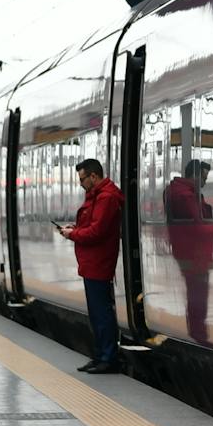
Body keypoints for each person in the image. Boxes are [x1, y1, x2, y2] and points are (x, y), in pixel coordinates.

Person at [58, 157, 124, 373]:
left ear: (94, 176)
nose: (81, 183)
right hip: (92, 262)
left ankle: (108, 358)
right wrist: (75, 228)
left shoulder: (106, 198)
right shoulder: (98, 196)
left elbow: (97, 232)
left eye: (82, 178)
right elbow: (92, 225)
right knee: (96, 313)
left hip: (99, 261)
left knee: (101, 312)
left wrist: (72, 234)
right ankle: (100, 356)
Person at [163, 160, 213, 343]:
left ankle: (197, 331)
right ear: (196, 175)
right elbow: (197, 228)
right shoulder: (185, 196)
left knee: (195, 293)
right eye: (204, 178)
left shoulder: (179, 192)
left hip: (186, 252)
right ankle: (198, 333)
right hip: (194, 253)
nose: (205, 182)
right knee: (198, 294)